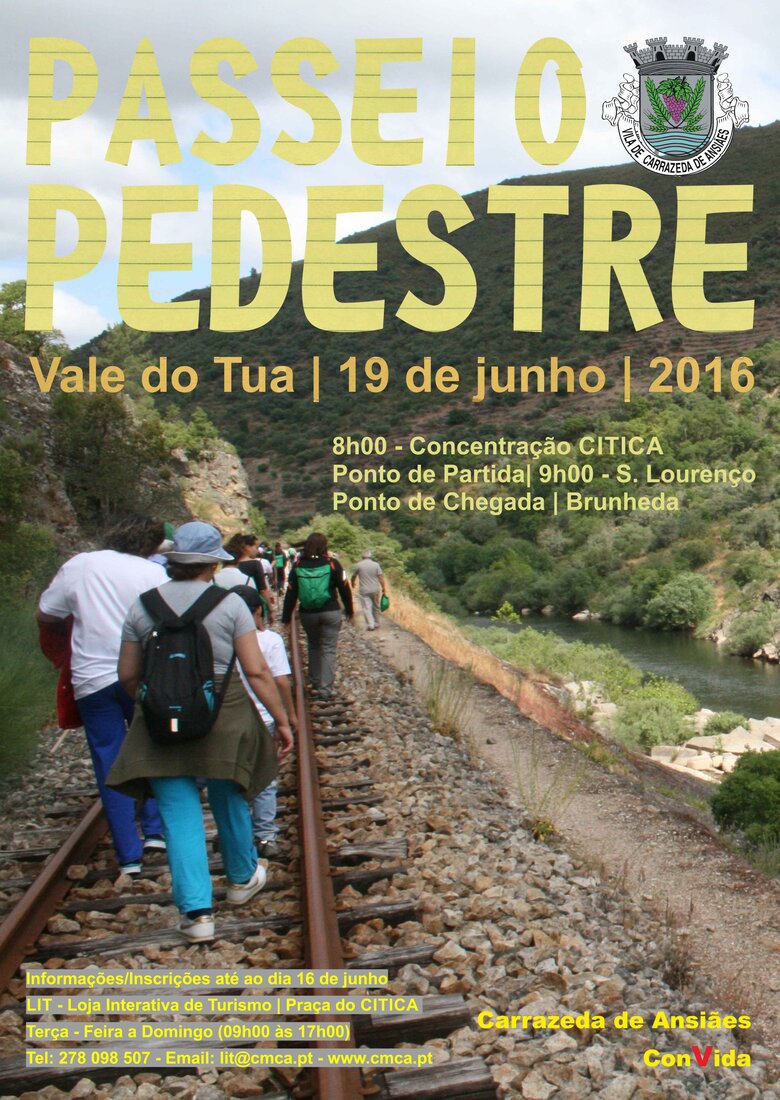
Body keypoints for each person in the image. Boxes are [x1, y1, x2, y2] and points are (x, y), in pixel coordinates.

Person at [107, 521, 294, 944]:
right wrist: (281, 719)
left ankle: (197, 914)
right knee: (229, 792)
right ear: (213, 565)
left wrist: (160, 704)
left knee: (178, 812)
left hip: (160, 722)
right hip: (225, 714)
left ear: (174, 561)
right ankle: (241, 878)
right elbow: (256, 671)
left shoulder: (142, 606)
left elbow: (127, 675)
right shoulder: (230, 606)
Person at [37, 516, 168, 875]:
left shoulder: (81, 564)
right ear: (152, 545)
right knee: (151, 749)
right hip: (143, 674)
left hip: (92, 679)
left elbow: (47, 612)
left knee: (108, 760)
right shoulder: (154, 573)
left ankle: (129, 856)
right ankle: (155, 831)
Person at [233, 585, 297, 859]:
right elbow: (281, 681)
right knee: (265, 778)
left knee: (233, 778)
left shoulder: (220, 639)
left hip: (230, 719)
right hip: (264, 717)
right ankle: (265, 836)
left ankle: (236, 836)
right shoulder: (270, 640)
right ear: (258, 609)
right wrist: (288, 715)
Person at [282, 532, 353, 699]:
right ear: (324, 546)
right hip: (330, 611)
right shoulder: (332, 563)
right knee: (329, 648)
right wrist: (349, 610)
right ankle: (325, 689)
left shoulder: (298, 565)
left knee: (313, 645)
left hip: (308, 614)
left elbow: (291, 593)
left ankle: (315, 681)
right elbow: (344, 588)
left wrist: (286, 618)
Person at [351, 549, 387, 631]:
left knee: (367, 607)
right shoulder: (376, 565)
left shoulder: (359, 565)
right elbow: (380, 577)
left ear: (362, 557)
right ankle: (377, 623)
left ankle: (371, 625)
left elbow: (353, 576)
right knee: (376, 606)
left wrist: (353, 583)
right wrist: (384, 587)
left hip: (364, 590)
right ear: (370, 556)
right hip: (375, 589)